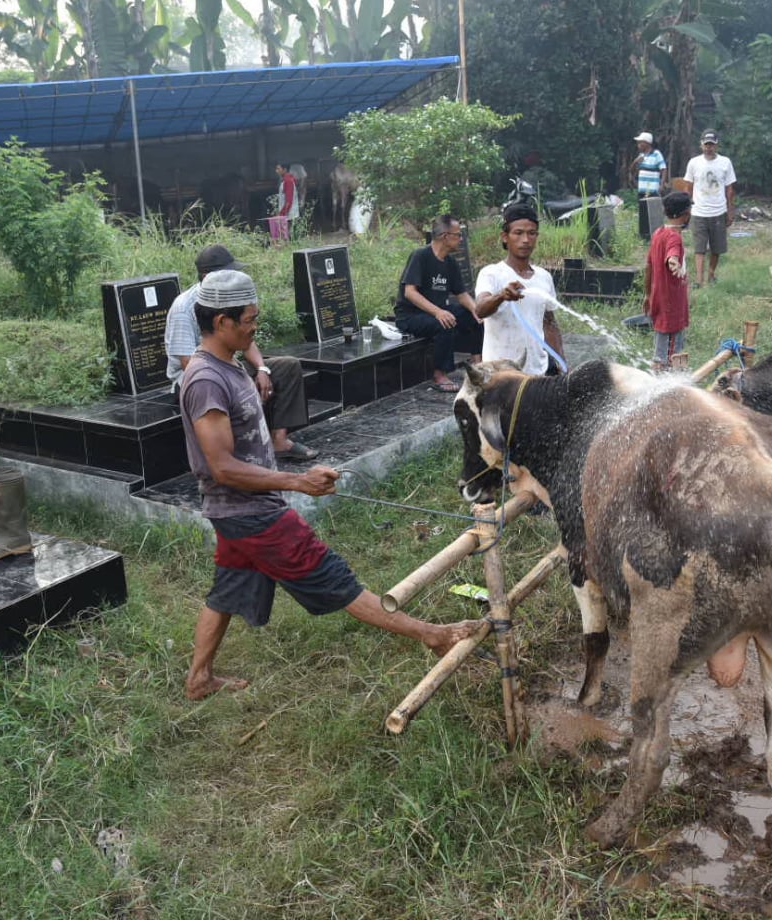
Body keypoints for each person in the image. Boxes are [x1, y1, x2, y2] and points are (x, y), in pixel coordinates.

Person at [179, 269, 483, 700]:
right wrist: (297, 481)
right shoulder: (207, 380)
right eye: (248, 319)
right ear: (222, 322)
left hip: (239, 511)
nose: (254, 326)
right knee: (334, 576)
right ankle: (433, 635)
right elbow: (222, 467)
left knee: (227, 588)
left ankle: (199, 679)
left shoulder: (227, 367)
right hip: (251, 513)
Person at [166, 244, 319, 462]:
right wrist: (237, 380)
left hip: (230, 364)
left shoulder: (233, 299)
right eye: (229, 271)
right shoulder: (184, 307)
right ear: (208, 276)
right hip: (198, 377)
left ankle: (279, 440)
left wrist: (262, 369)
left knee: (288, 366)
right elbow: (187, 364)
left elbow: (246, 340)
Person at [394, 214, 483, 392]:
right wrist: (437, 312)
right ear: (445, 236)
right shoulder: (420, 256)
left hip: (437, 311)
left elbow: (461, 294)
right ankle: (439, 374)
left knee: (472, 317)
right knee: (445, 322)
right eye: (458, 235)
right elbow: (410, 292)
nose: (460, 239)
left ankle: (478, 366)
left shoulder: (450, 262)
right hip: (411, 315)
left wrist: (477, 310)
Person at [473, 204, 564, 376]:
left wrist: (562, 363)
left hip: (537, 371)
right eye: (518, 233)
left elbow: (549, 324)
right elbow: (480, 310)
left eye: (532, 233)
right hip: (500, 373)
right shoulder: (491, 273)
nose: (526, 240)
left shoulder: (544, 277)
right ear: (505, 237)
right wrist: (501, 295)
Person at [677, 129, 737, 286]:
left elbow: (730, 189)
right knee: (699, 248)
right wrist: (686, 209)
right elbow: (688, 188)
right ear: (701, 145)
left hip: (719, 211)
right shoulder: (694, 163)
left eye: (712, 145)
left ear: (716, 145)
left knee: (717, 248)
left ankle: (711, 274)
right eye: (706, 144)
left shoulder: (725, 162)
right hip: (699, 211)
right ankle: (698, 280)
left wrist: (730, 210)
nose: (709, 148)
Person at [645, 191, 692, 370]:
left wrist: (647, 295)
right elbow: (672, 256)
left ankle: (668, 380)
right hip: (672, 305)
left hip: (659, 299)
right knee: (673, 352)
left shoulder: (658, 233)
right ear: (686, 213)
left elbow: (648, 265)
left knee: (662, 349)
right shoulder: (674, 237)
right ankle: (677, 382)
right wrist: (674, 264)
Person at [268, 161, 299, 245]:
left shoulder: (288, 181)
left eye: (278, 169)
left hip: (289, 212)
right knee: (286, 234)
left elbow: (289, 200)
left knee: (287, 234)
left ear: (284, 170)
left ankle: (290, 249)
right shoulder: (286, 179)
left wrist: (282, 213)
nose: (276, 171)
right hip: (288, 211)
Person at [630, 131, 668, 197]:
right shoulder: (641, 156)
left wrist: (661, 185)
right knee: (643, 207)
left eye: (640, 142)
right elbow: (631, 170)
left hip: (652, 190)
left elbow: (664, 169)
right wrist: (635, 162)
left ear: (646, 143)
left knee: (652, 207)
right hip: (642, 190)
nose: (638, 145)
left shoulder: (656, 154)